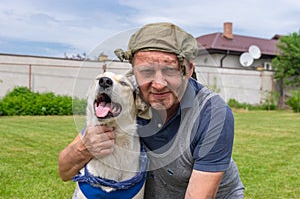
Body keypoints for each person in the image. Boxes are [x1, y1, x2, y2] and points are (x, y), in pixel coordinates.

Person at [58, 22, 244, 198]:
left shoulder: (212, 113)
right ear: (134, 71)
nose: (158, 84)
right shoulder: (125, 95)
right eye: (146, 72)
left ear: (188, 70)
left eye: (169, 70)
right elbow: (65, 172)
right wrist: (84, 149)